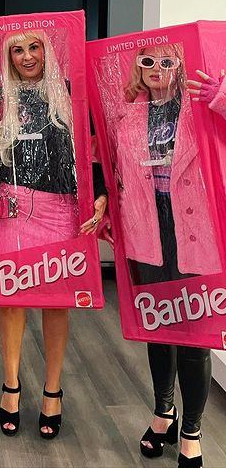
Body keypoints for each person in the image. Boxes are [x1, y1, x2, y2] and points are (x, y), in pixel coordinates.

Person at [0, 30, 107, 440]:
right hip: (11, 207)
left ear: (47, 50)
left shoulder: (71, 95)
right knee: (12, 301)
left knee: (56, 302)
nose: (26, 56)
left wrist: (100, 194)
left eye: (33, 47)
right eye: (17, 50)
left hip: (61, 211)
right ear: (8, 56)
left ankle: (53, 389)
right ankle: (11, 386)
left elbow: (91, 152)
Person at [113, 46, 217, 468]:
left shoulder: (201, 107)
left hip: (195, 230)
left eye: (167, 61)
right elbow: (114, 171)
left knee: (195, 333)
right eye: (148, 61)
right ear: (138, 67)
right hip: (148, 230)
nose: (157, 69)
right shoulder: (127, 114)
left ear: (180, 65)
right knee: (159, 326)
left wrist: (220, 97)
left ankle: (191, 430)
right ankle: (163, 413)